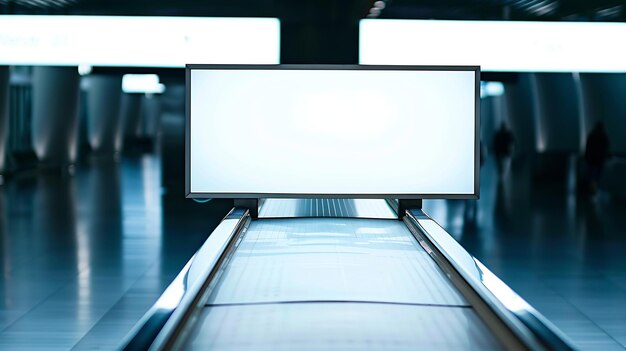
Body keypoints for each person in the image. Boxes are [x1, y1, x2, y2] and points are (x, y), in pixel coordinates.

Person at [584, 121, 610, 193]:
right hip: (599, 160)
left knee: (591, 175)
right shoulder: (604, 137)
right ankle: (595, 189)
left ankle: (591, 190)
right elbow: (606, 148)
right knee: (597, 176)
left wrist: (587, 157)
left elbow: (588, 148)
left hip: (592, 160)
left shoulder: (592, 136)